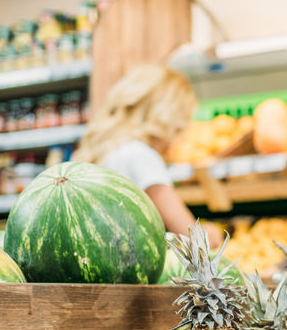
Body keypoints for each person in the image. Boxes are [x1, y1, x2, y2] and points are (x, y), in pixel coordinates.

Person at [74, 64, 222, 247]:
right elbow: (193, 240)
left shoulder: (106, 152)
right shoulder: (140, 156)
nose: (180, 137)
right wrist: (216, 234)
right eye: (179, 127)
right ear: (165, 117)